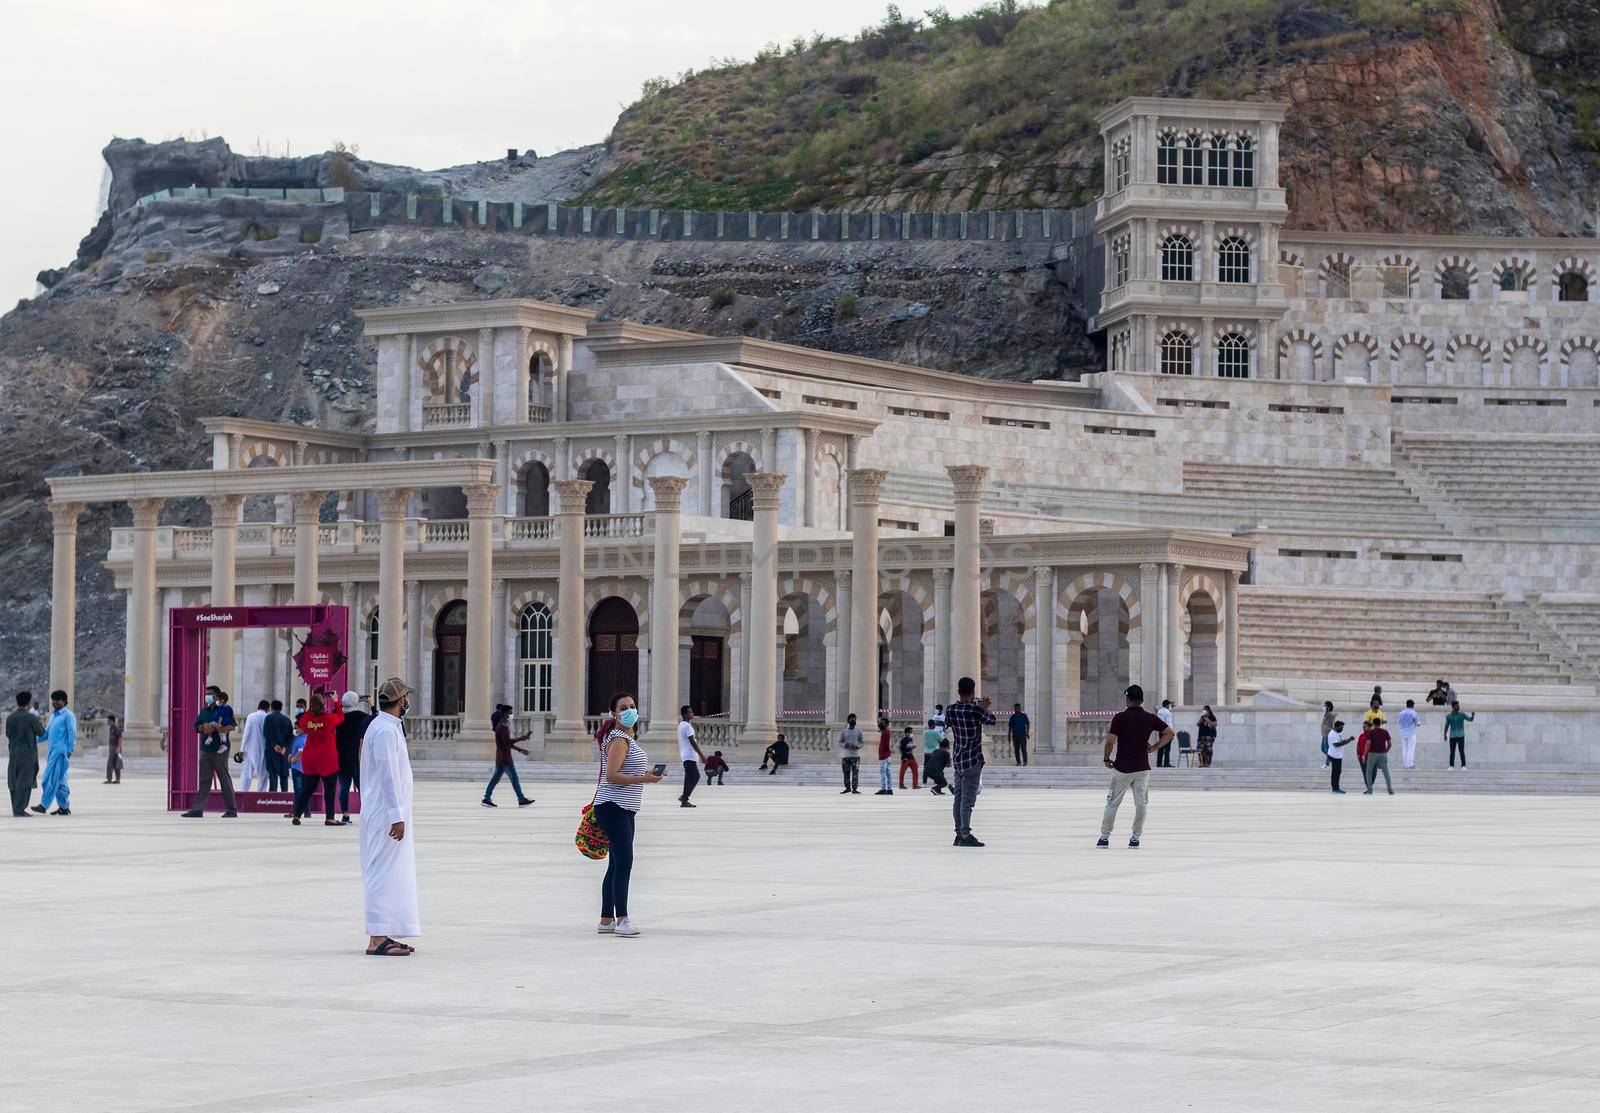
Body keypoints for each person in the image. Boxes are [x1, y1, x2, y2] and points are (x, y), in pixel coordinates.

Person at [594, 692, 665, 937]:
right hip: (613, 806)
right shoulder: (618, 739)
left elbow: (626, 770)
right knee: (624, 863)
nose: (629, 710)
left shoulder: (625, 738)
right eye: (623, 707)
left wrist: (648, 773)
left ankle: (606, 920)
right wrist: (645, 778)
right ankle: (622, 919)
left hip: (622, 808)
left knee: (616, 864)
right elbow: (612, 776)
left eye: (632, 706)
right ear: (614, 714)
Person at [361, 677, 419, 956]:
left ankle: (385, 931)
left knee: (392, 871)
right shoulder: (384, 730)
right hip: (385, 813)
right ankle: (376, 938)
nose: (408, 701)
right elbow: (387, 775)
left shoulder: (388, 727)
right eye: (406, 697)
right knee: (380, 872)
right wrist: (396, 815)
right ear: (401, 701)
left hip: (391, 811)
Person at [1096, 685, 1173, 848]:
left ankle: (1104, 837)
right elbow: (1169, 733)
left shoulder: (1120, 718)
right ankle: (1135, 838)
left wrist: (1106, 758)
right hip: (1142, 768)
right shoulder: (1150, 718)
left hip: (1122, 768)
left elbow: (1110, 741)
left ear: (1127, 700)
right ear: (1142, 700)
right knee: (1141, 803)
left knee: (1112, 803)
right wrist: (1155, 747)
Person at [947, 677, 997, 847]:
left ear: (958, 691)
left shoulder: (951, 709)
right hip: (973, 760)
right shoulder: (975, 711)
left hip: (958, 759)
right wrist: (984, 707)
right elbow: (992, 720)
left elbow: (947, 722)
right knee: (967, 800)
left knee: (958, 798)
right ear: (973, 692)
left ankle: (958, 833)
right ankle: (965, 834)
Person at [182, 686, 238, 818]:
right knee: (204, 779)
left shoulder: (224, 710)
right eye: (206, 694)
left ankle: (231, 809)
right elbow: (196, 726)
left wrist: (219, 728)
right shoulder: (204, 711)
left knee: (223, 778)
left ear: (217, 696)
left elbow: (232, 726)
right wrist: (203, 727)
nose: (207, 697)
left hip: (220, 749)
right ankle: (197, 809)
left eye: (210, 695)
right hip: (205, 749)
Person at [291, 690, 344, 826]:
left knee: (307, 789)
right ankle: (329, 817)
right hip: (326, 758)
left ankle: (297, 814)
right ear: (323, 705)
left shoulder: (307, 720)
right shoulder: (328, 718)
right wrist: (336, 701)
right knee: (330, 789)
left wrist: (311, 707)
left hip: (310, 758)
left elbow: (302, 722)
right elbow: (340, 717)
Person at [482, 704, 533, 808]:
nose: (511, 715)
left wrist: (520, 745)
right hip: (505, 758)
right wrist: (520, 744)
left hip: (501, 757)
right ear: (505, 713)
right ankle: (521, 799)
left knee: (496, 779)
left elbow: (506, 743)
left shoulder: (501, 725)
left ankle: (486, 798)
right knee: (514, 779)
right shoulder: (503, 727)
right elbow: (507, 743)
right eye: (510, 713)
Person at [8, 690, 45, 817]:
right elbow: (41, 732)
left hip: (13, 752)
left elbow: (8, 734)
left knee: (14, 780)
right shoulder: (31, 717)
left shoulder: (10, 717)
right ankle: (19, 810)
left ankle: (16, 807)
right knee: (24, 781)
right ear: (28, 703)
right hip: (28, 753)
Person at [335, 691, 370, 822]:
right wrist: (371, 704)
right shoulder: (361, 716)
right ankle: (366, 813)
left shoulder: (338, 715)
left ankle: (345, 813)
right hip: (357, 756)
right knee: (362, 788)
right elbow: (375, 718)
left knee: (343, 787)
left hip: (341, 756)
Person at [237, 700, 269, 792]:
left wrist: (242, 749)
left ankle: (243, 793)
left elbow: (246, 734)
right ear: (267, 708)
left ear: (258, 707)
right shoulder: (267, 717)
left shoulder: (251, 716)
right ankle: (261, 796)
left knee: (246, 774)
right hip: (263, 749)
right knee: (263, 775)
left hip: (249, 750)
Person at [262, 699, 294, 792]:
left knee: (273, 776)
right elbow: (290, 736)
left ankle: (273, 800)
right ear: (281, 708)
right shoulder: (287, 720)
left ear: (271, 708)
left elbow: (266, 733)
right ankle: (284, 799)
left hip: (272, 751)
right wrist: (284, 747)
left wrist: (274, 745)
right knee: (284, 776)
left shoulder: (268, 718)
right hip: (284, 753)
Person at [677, 705, 703, 808]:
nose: (692, 714)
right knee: (695, 776)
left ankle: (684, 799)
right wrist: (702, 755)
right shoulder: (687, 726)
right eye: (690, 712)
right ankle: (684, 798)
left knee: (689, 778)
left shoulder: (681, 725)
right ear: (685, 714)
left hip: (686, 755)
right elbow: (693, 742)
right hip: (689, 755)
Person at [1362, 715, 1394, 795]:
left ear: (1373, 724)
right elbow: (1390, 744)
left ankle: (1369, 790)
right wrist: (1386, 751)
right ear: (1380, 724)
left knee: (1368, 772)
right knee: (1386, 773)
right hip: (1382, 754)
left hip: (1372, 754)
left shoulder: (1370, 732)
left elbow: (1368, 744)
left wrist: (1364, 755)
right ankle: (1390, 790)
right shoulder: (1385, 732)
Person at [1326, 719, 1355, 794]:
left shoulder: (1339, 733)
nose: (1342, 729)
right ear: (1336, 727)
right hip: (1334, 755)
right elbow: (1337, 744)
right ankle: (1335, 788)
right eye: (1341, 727)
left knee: (1338, 772)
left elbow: (1342, 741)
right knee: (1336, 772)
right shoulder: (1332, 734)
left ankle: (1336, 788)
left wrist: (1348, 740)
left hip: (1338, 756)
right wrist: (1349, 740)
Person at [837, 713, 864, 794]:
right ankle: (847, 787)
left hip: (856, 755)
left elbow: (862, 742)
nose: (853, 720)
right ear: (848, 720)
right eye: (851, 719)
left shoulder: (859, 732)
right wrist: (845, 745)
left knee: (855, 773)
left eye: (854, 719)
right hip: (846, 755)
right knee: (846, 772)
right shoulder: (844, 732)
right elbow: (840, 742)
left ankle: (855, 788)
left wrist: (857, 746)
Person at [1444, 700, 1474, 769]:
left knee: (1461, 751)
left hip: (1461, 735)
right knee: (1452, 752)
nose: (1458, 707)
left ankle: (1463, 765)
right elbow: (1447, 725)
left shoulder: (1462, 714)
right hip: (1452, 736)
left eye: (1458, 705)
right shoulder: (1448, 716)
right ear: (1453, 707)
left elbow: (1470, 719)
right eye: (1457, 706)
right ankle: (1451, 766)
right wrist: (1445, 735)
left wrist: (1472, 716)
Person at [1397, 699, 1421, 770]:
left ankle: (1405, 764)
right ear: (1413, 705)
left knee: (1404, 749)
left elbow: (1398, 722)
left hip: (1403, 733)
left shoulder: (1401, 713)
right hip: (1411, 733)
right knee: (1411, 749)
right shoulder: (1414, 713)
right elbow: (1418, 723)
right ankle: (1410, 764)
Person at [875, 717, 895, 795]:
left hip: (884, 755)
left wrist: (888, 751)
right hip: (886, 755)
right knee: (887, 772)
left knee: (883, 772)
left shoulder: (885, 732)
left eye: (882, 723)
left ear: (886, 724)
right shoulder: (885, 732)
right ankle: (889, 788)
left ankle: (883, 788)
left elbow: (886, 745)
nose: (879, 724)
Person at [897, 725, 920, 790]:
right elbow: (901, 749)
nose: (912, 733)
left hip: (911, 757)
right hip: (905, 758)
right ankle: (901, 785)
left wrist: (911, 748)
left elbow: (910, 748)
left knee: (915, 771)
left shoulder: (910, 739)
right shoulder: (903, 740)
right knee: (902, 772)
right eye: (911, 732)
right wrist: (909, 748)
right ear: (907, 733)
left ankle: (915, 785)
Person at [103, 713, 124, 785]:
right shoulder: (111, 728)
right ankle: (112, 779)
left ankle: (113, 779)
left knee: (115, 763)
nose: (107, 722)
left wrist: (118, 747)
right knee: (113, 763)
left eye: (108, 721)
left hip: (116, 747)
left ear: (112, 721)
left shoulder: (116, 728)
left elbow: (120, 738)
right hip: (112, 747)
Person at [1154, 699, 1176, 768]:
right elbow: (1169, 724)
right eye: (1169, 705)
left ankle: (1159, 763)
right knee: (1167, 748)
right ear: (1167, 705)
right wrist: (1172, 733)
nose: (1170, 706)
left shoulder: (1160, 711)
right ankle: (1166, 763)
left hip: (1161, 731)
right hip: (1167, 732)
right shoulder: (1168, 713)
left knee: (1160, 747)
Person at [921, 718, 942, 783]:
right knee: (935, 767)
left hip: (926, 752)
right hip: (935, 752)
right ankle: (936, 780)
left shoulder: (925, 732)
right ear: (933, 725)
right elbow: (942, 740)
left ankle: (925, 780)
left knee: (926, 767)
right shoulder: (936, 733)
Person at [1319, 701, 1336, 768]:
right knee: (1323, 749)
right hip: (1324, 735)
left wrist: (1329, 731)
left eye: (1325, 706)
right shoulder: (1326, 715)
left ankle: (1327, 764)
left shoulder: (1330, 715)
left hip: (1328, 735)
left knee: (1328, 750)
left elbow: (1332, 725)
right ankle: (1332, 758)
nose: (1324, 707)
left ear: (1329, 707)